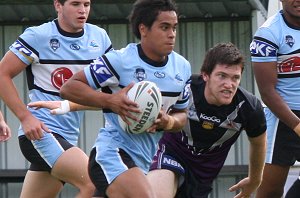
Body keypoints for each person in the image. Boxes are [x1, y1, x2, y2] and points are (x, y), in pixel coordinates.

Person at [50, 0, 191, 197]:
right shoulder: (119, 60)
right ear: (144, 29)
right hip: (111, 154)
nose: (172, 34)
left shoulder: (182, 68)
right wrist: (110, 101)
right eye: (164, 27)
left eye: (174, 28)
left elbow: (182, 115)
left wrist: (168, 122)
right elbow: (69, 88)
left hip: (142, 162)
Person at [0, 0, 112, 197]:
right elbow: (2, 74)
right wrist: (25, 118)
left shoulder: (99, 38)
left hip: (67, 137)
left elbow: (107, 96)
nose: (82, 10)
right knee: (96, 184)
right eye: (75, 4)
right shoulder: (38, 36)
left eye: (86, 4)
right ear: (58, 6)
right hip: (40, 133)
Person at [146, 42, 267, 198]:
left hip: (202, 178)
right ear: (205, 75)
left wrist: (255, 180)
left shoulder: (248, 107)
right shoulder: (184, 88)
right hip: (170, 154)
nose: (229, 85)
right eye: (222, 76)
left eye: (235, 78)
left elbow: (259, 142)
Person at [250, 0, 300, 197]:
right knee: (269, 189)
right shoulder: (268, 33)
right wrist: (296, 125)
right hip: (282, 118)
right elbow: (267, 91)